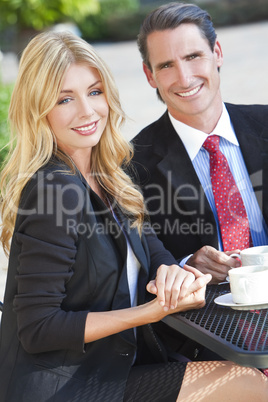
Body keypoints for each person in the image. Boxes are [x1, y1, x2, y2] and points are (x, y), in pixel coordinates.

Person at [0, 31, 267, 402]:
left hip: (116, 365)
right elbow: (39, 327)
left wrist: (171, 271)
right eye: (65, 99)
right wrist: (150, 311)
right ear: (38, 109)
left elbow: (152, 249)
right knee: (248, 385)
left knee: (248, 378)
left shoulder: (109, 173)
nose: (87, 111)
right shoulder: (55, 189)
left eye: (94, 92)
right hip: (66, 386)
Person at [132, 2, 268, 285]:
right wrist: (184, 266)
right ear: (149, 75)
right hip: (203, 322)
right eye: (167, 65)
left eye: (193, 56)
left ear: (216, 53)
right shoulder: (131, 166)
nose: (184, 78)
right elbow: (137, 267)